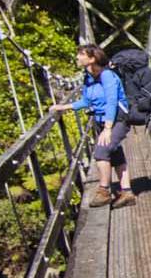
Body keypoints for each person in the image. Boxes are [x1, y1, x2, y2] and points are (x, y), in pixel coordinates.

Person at [51, 44, 135, 209]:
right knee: (116, 154)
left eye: (81, 54)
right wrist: (64, 107)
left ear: (92, 58)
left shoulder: (107, 76)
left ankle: (104, 191)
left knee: (101, 151)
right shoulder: (88, 78)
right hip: (100, 120)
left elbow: (111, 101)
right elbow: (86, 101)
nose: (77, 57)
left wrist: (108, 128)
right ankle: (127, 192)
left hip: (117, 119)